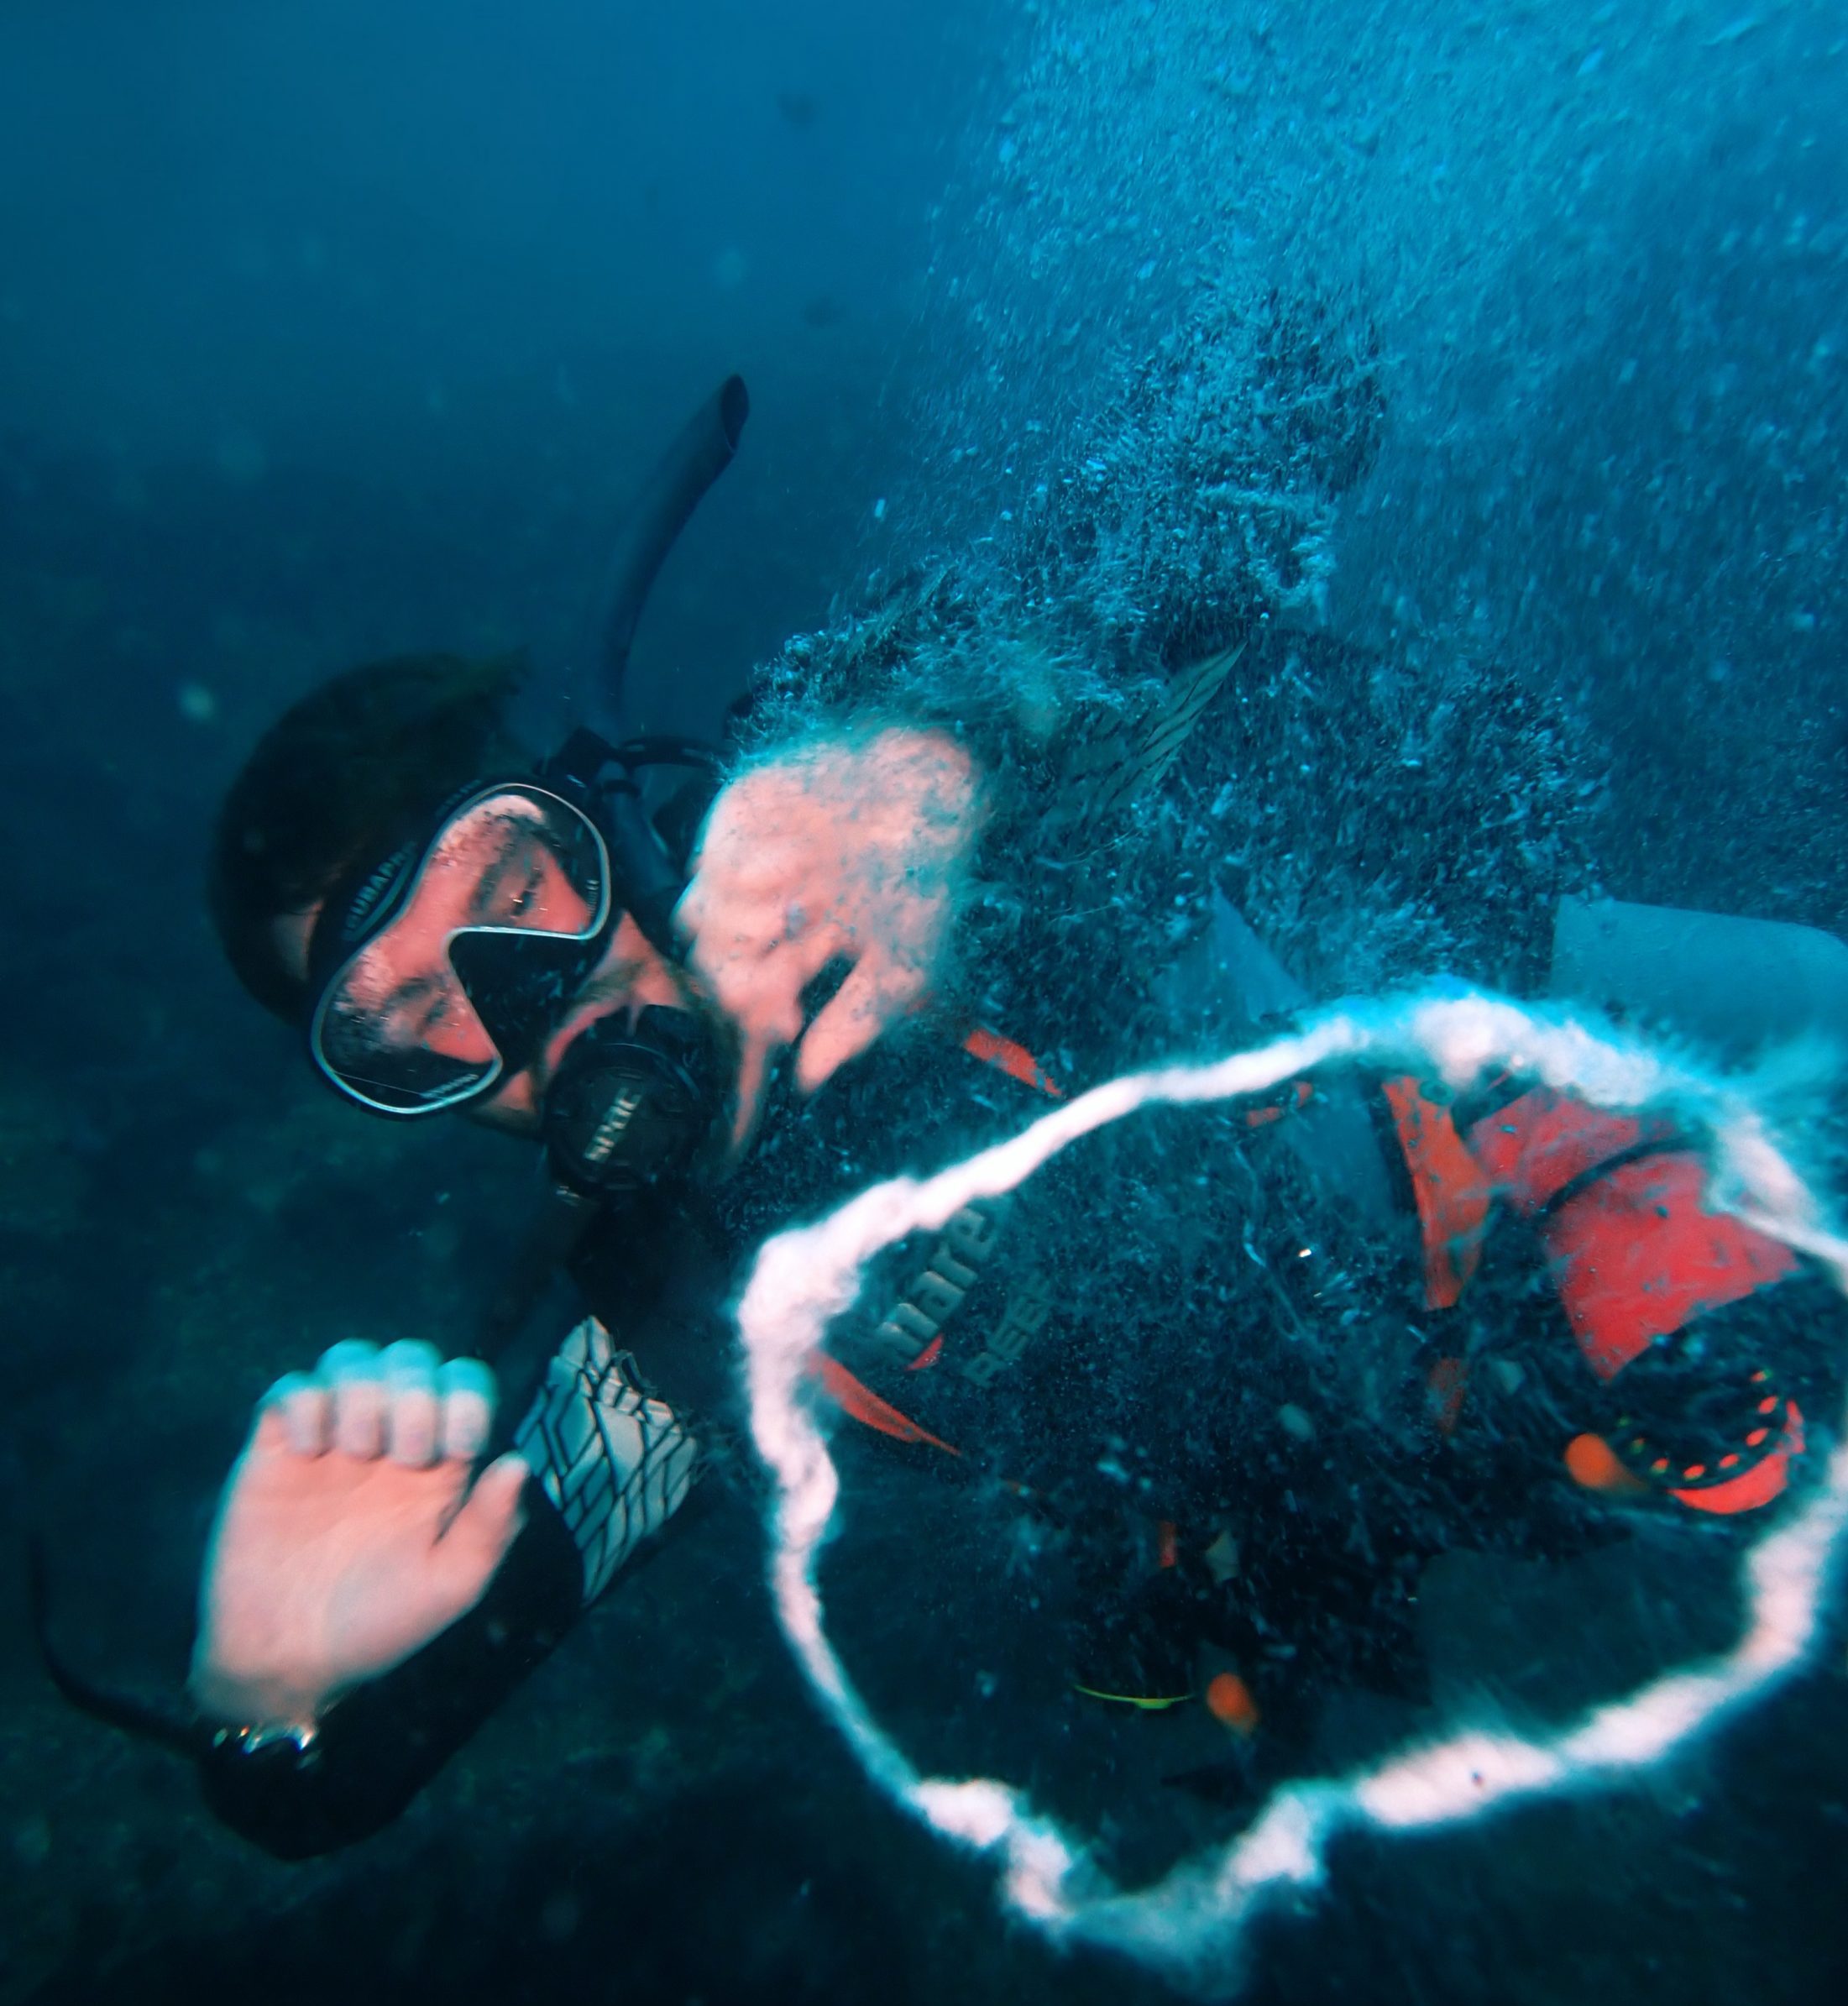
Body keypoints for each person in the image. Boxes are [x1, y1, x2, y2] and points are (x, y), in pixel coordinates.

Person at [38, 328, 1843, 1852]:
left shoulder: (832, 788)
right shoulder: (682, 1332)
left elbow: (1298, 402)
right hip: (1457, 1469)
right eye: (411, 1019)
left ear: (605, 817)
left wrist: (938, 748)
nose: (535, 1002)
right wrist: (272, 1700)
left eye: (521, 889)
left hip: (1566, 1045)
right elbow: (346, 1766)